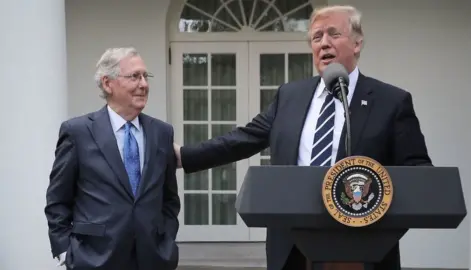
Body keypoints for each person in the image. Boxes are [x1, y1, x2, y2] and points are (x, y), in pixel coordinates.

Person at [173, 5, 432, 270]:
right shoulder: (290, 95)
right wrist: (184, 156)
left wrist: (379, 210)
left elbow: (418, 171)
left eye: (333, 34)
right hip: (291, 245)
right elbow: (244, 138)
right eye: (316, 37)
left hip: (361, 245)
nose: (324, 43)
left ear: (357, 43)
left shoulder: (391, 101)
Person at [44, 47, 180, 270]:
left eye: (146, 76)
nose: (144, 84)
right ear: (108, 83)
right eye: (135, 76)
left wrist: (167, 241)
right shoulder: (77, 132)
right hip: (94, 259)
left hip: (153, 258)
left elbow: (169, 199)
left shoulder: (162, 133)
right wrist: (64, 251)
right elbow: (58, 199)